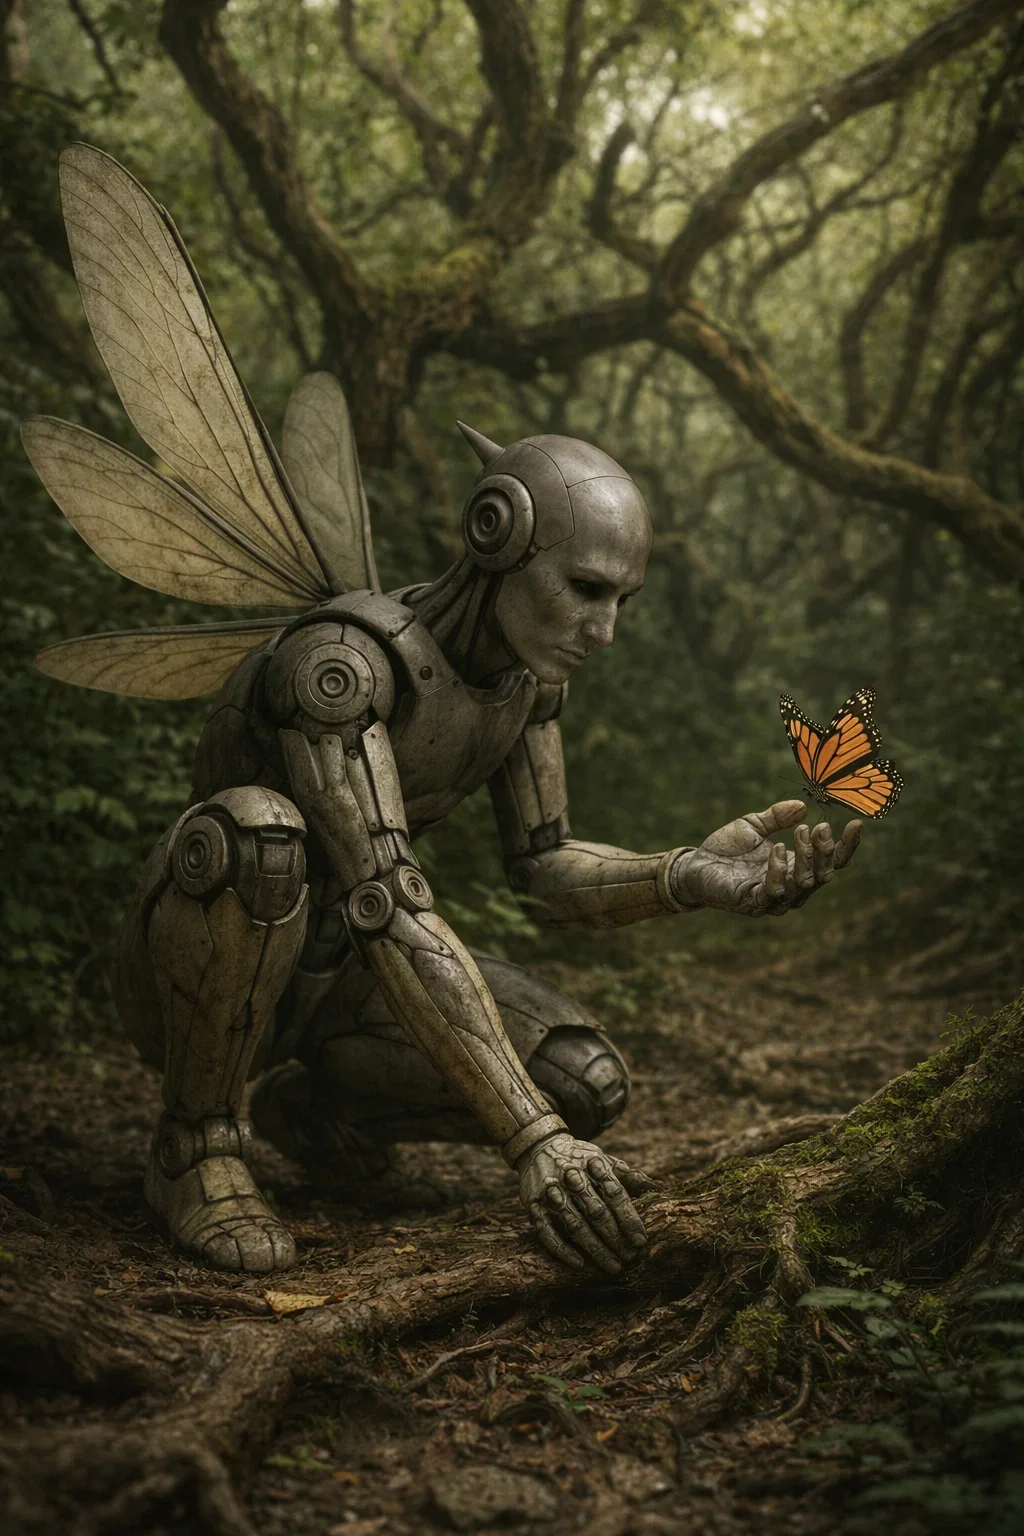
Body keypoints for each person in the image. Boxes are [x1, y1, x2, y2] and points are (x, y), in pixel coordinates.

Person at [24, 145, 861, 1279]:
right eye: (583, 589)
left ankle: (319, 1121)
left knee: (587, 1081)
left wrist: (683, 876)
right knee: (267, 831)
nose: (601, 628)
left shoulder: (524, 686)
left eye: (623, 600)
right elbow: (386, 902)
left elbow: (548, 869)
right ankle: (197, 1138)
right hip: (208, 944)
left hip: (340, 984)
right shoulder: (343, 668)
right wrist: (532, 1147)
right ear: (497, 537)